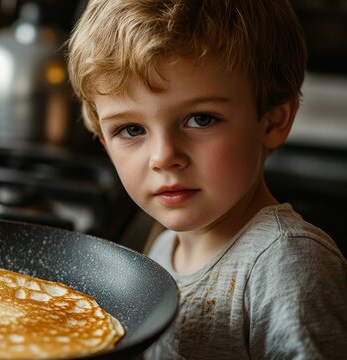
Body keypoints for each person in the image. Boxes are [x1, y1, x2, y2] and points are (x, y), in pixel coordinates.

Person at [66, 0, 347, 359]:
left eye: (201, 120)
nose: (164, 156)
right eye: (131, 129)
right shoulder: (162, 250)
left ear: (273, 120)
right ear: (104, 143)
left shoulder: (285, 261)